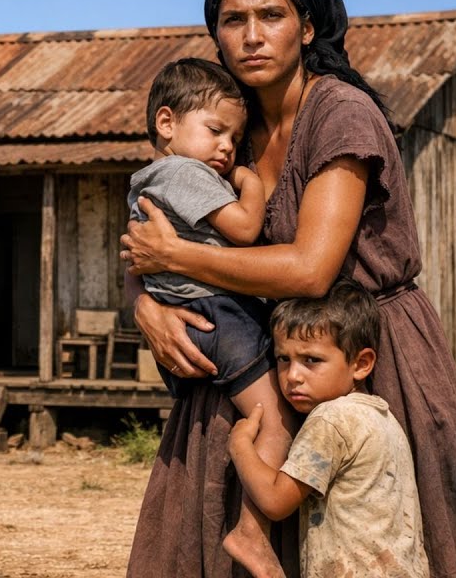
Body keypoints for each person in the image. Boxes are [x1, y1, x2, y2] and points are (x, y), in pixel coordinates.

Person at [121, 0, 456, 577]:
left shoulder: (340, 114)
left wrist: (180, 256)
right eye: (232, 20)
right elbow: (147, 234)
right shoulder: (226, 132)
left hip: (367, 358)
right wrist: (145, 307)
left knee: (376, 549)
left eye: (270, 16)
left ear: (306, 27)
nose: (251, 36)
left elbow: (310, 271)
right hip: (264, 353)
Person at [128, 57, 297, 578]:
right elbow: (245, 230)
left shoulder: (151, 178)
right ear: (166, 123)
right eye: (215, 131)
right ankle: (251, 531)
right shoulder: (184, 172)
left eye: (235, 138)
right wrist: (249, 180)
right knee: (277, 419)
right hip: (215, 312)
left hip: (195, 314)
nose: (226, 147)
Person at [229, 279, 428, 578]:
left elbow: (274, 501)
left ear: (361, 364)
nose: (293, 375)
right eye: (284, 359)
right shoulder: (383, 416)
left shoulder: (330, 420)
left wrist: (240, 446)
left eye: (311, 360)